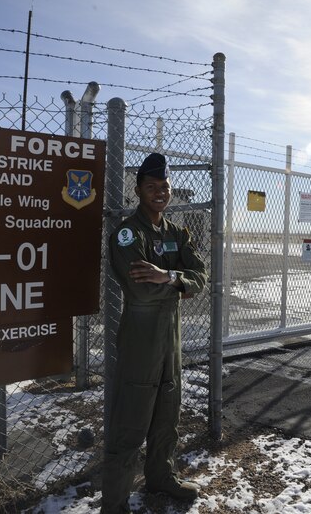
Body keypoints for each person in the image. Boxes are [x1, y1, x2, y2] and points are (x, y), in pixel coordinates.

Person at [102, 152, 207, 513]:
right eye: (151, 187)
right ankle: (114, 504)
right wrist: (179, 284)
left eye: (164, 186)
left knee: (167, 413)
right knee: (131, 423)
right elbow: (141, 289)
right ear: (138, 191)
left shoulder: (176, 233)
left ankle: (161, 478)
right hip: (141, 339)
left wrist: (170, 277)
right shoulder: (129, 235)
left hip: (170, 339)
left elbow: (201, 278)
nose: (159, 193)